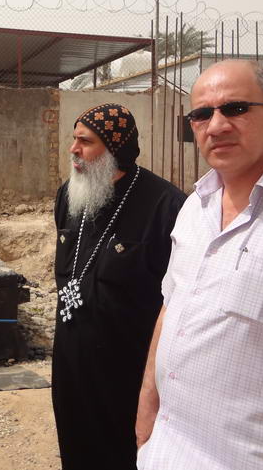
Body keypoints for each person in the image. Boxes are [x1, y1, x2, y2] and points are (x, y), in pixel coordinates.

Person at [136, 60, 263, 469]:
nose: (217, 125)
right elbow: (172, 308)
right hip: (168, 451)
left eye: (236, 108)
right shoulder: (195, 206)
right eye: (202, 114)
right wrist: (147, 405)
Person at [52, 103, 185, 469]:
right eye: (74, 139)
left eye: (85, 142)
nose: (73, 150)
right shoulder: (68, 195)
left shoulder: (166, 206)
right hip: (70, 363)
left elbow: (175, 301)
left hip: (127, 371)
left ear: (115, 149)